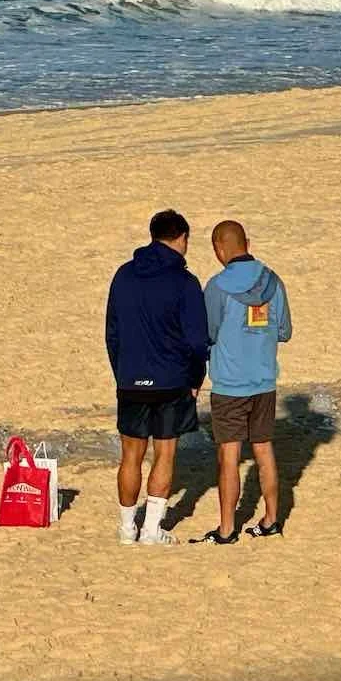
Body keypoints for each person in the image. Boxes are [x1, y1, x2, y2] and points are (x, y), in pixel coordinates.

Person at [105, 209, 210, 546]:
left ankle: (126, 528)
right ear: (182, 238)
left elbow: (113, 333)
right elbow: (196, 340)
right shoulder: (185, 282)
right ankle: (151, 529)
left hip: (131, 377)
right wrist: (196, 377)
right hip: (171, 380)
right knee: (165, 453)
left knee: (130, 455)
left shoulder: (124, 275)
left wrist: (122, 372)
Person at [197, 220, 293, 544]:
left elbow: (206, 333)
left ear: (218, 249)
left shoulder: (216, 287)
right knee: (264, 450)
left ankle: (227, 528)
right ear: (247, 243)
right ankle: (271, 520)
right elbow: (285, 332)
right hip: (264, 380)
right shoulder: (274, 281)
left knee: (229, 455)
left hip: (228, 384)